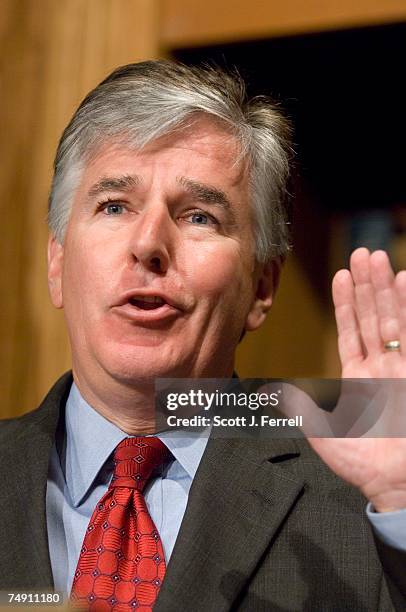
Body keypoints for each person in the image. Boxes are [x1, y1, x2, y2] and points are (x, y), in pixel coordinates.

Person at [0, 60, 405, 612]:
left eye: (200, 217)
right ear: (57, 262)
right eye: (114, 205)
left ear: (262, 287)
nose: (148, 244)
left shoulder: (366, 504)